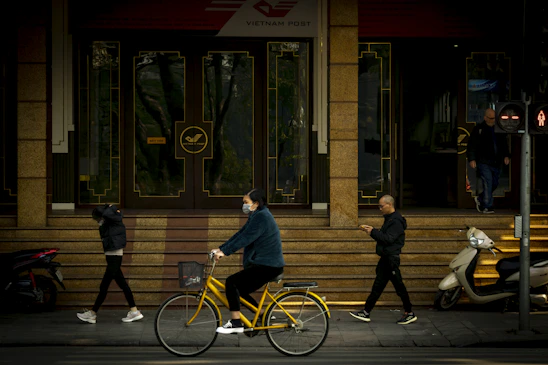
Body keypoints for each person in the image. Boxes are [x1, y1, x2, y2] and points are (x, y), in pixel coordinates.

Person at [211, 188, 285, 334]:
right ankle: (263, 316)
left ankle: (236, 322)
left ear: (256, 203)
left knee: (231, 283)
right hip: (266, 264)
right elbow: (240, 234)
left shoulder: (261, 217)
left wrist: (224, 252)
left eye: (246, 202)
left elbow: (245, 239)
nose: (243, 205)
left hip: (268, 266)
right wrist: (221, 249)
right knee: (239, 290)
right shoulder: (257, 215)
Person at [349, 195, 417, 325]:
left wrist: (373, 232)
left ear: (390, 205)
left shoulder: (396, 221)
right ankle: (366, 311)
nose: (379, 209)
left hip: (391, 259)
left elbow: (388, 239)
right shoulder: (390, 219)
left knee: (398, 286)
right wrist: (373, 231)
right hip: (386, 258)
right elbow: (386, 237)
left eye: (381, 206)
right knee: (378, 286)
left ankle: (409, 312)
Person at [76, 204, 143, 324]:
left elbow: (107, 214)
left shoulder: (115, 218)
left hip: (115, 254)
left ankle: (93, 313)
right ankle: (134, 311)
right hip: (111, 254)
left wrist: (108, 207)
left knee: (104, 286)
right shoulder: (109, 222)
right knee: (122, 284)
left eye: (99, 217)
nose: (98, 220)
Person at [467, 108, 510, 214]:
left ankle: (481, 198)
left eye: (494, 118)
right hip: (483, 161)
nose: (493, 120)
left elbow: (503, 144)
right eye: (491, 118)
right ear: (485, 118)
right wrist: (472, 158)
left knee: (494, 183)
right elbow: (472, 145)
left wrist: (506, 155)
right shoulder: (479, 129)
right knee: (488, 182)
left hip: (496, 161)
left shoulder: (499, 129)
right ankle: (487, 206)